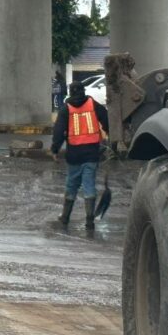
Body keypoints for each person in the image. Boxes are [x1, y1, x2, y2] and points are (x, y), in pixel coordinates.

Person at [51, 80, 109, 230]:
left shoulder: (66, 109)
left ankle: (65, 217)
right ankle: (90, 219)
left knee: (72, 185)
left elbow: (58, 132)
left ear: (70, 92)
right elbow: (107, 119)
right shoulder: (92, 104)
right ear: (83, 91)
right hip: (92, 153)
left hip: (74, 155)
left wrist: (55, 149)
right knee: (89, 185)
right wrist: (110, 136)